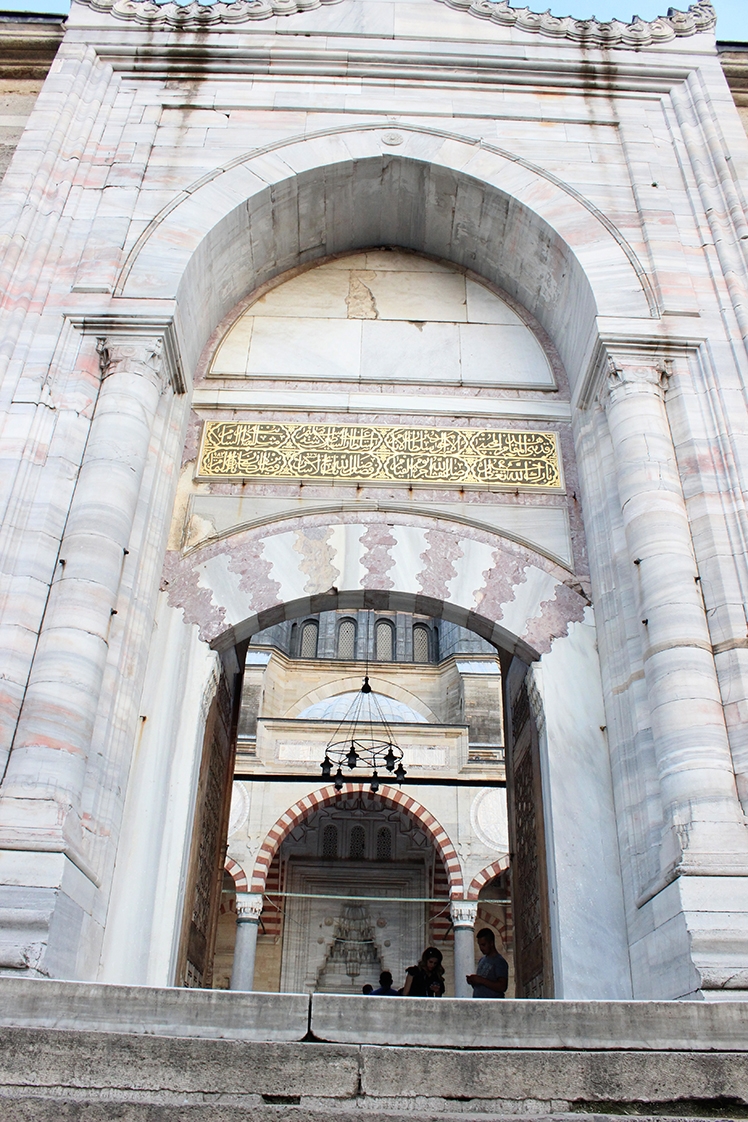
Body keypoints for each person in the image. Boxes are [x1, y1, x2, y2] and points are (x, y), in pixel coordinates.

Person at [466, 927, 509, 998]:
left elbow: (502, 986)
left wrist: (481, 980)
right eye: (479, 945)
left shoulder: (499, 961)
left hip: (493, 1004)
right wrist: (473, 981)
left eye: (483, 945)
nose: (481, 948)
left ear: (491, 943)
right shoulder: (482, 960)